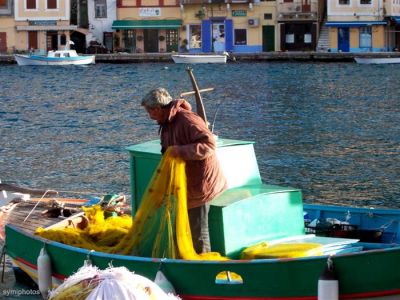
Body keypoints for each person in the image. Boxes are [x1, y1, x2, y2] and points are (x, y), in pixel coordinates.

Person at [141, 87, 227, 254]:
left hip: (201, 185)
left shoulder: (187, 120)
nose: (149, 116)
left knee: (198, 232)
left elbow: (209, 145)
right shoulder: (166, 123)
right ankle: (187, 261)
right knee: (184, 228)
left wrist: (178, 151)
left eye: (149, 111)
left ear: (158, 108)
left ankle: (203, 268)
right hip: (186, 185)